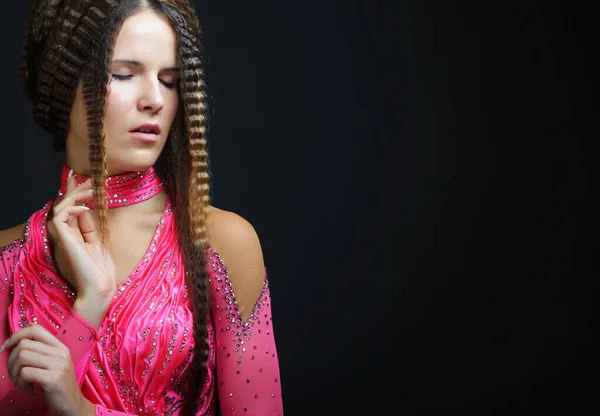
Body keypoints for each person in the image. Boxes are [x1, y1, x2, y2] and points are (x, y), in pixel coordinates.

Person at [0, 0, 283, 415]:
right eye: (123, 74)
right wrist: (87, 310)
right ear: (63, 87)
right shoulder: (8, 260)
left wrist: (82, 411)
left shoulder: (221, 243)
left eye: (169, 81)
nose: (155, 99)